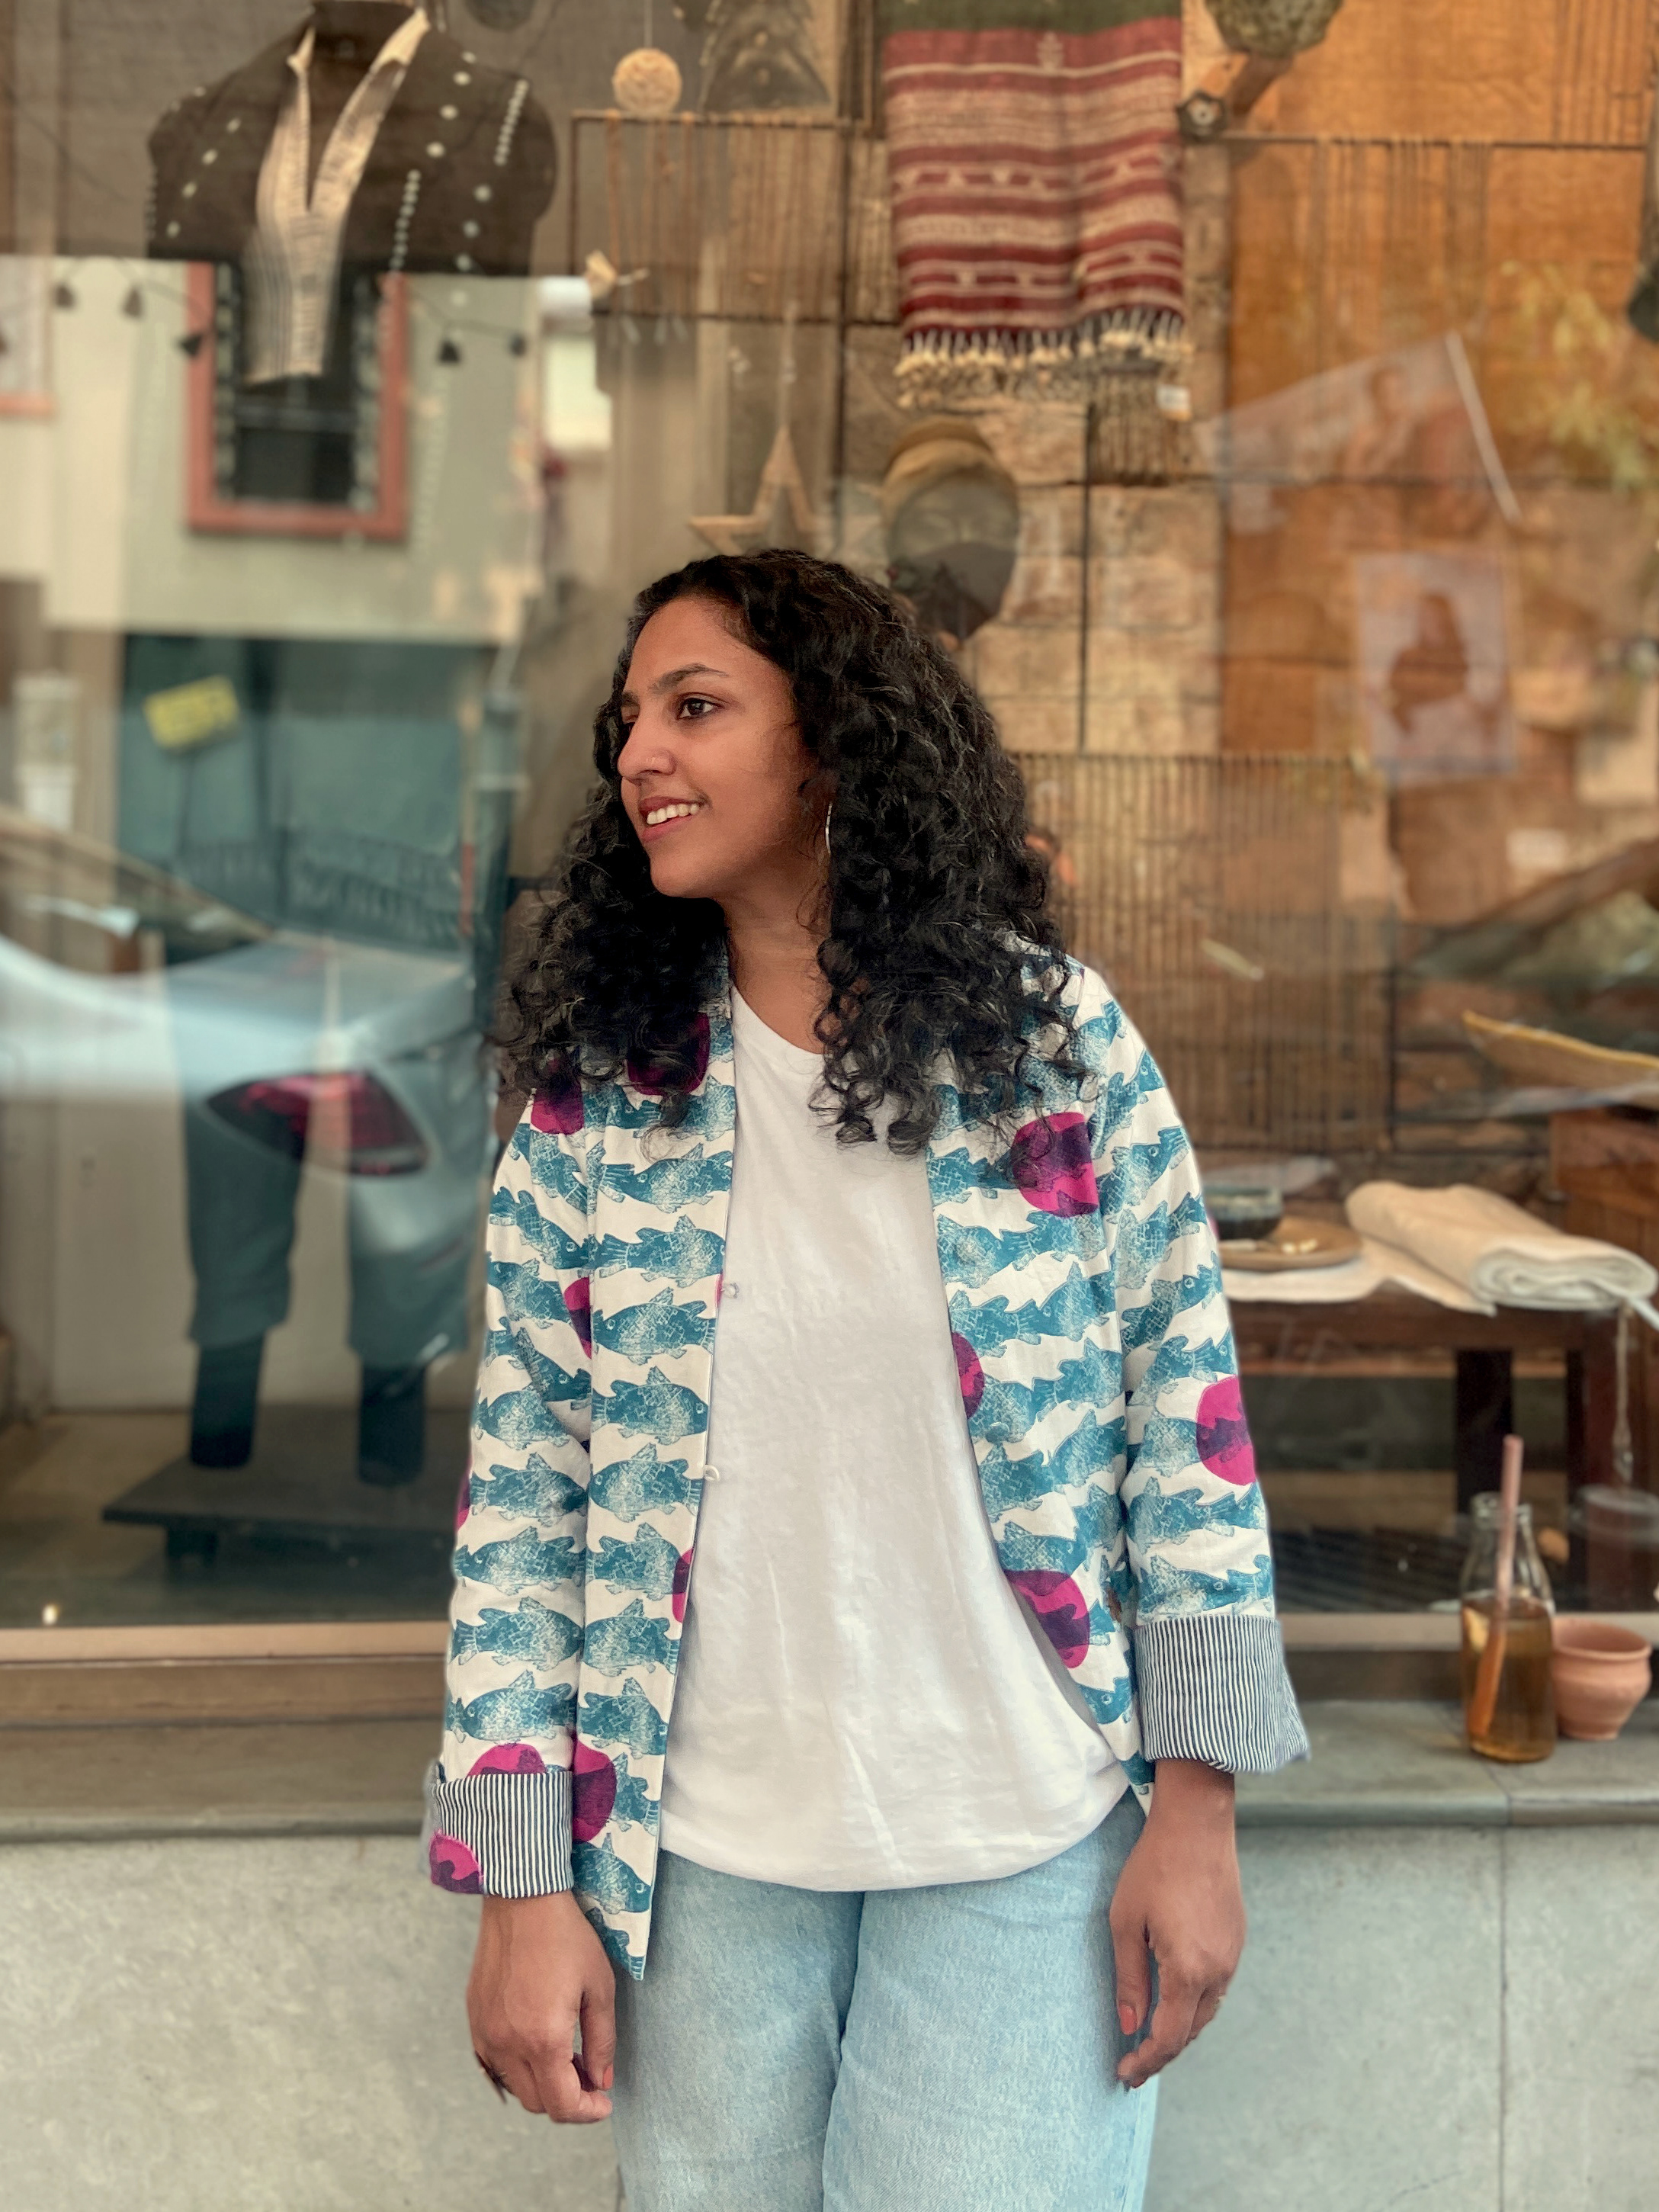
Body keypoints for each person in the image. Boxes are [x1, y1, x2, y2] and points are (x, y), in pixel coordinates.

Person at [427, 549, 1308, 2211]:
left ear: (833, 739)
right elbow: (525, 1504)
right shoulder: (600, 1101)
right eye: (630, 719)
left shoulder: (1053, 1050)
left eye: (696, 706)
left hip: (1021, 1835)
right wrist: (518, 1882)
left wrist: (1197, 1812)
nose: (640, 753)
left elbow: (1182, 1425)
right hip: (694, 1867)